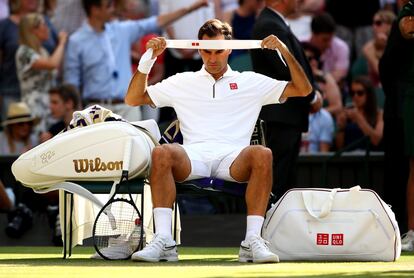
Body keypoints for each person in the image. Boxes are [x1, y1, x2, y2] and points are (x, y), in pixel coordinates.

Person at [125, 19, 312, 263]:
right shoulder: (183, 80)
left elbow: (303, 89)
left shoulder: (250, 81)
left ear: (230, 48)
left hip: (234, 159)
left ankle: (252, 240)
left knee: (262, 153)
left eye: (219, 51)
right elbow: (133, 98)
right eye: (207, 51)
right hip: (193, 158)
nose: (212, 58)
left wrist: (283, 50)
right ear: (199, 50)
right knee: (162, 152)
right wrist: (149, 57)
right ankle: (163, 241)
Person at [64, 0, 209, 122]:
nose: (113, 8)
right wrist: (74, 116)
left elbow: (156, 22)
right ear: (95, 10)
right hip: (95, 109)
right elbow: (72, 82)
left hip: (128, 107)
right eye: (108, 5)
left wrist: (190, 8)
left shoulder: (120, 30)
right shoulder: (77, 41)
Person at [251, 0, 321, 199]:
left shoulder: (274, 23)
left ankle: (278, 226)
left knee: (285, 178)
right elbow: (286, 70)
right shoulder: (269, 25)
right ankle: (271, 227)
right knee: (279, 179)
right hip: (281, 116)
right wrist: (312, 96)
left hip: (287, 115)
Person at [379, 0, 413, 236]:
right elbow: (407, 27)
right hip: (402, 107)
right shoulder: (406, 16)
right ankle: (407, 230)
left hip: (400, 104)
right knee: (409, 167)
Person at [15, 12, 68, 133]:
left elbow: (55, 68)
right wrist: (62, 43)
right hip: (34, 107)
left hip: (48, 107)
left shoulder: (42, 51)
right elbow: (52, 64)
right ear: (33, 30)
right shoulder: (24, 52)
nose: (47, 28)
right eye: (43, 25)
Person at [335, 76, 384, 151]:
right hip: (349, 158)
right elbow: (340, 147)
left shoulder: (379, 114)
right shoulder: (347, 113)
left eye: (360, 93)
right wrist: (341, 127)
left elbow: (376, 140)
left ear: (369, 94)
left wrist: (358, 118)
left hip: (371, 158)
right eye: (352, 93)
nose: (355, 96)